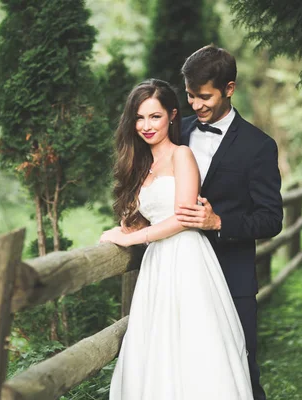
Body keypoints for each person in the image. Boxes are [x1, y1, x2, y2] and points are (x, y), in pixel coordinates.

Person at [100, 78, 254, 400]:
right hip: (158, 264)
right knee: (156, 345)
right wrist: (125, 230)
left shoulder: (182, 155)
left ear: (172, 116)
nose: (146, 125)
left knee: (194, 345)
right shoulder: (141, 164)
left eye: (154, 116)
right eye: (139, 118)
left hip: (186, 260)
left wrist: (136, 238)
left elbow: (183, 217)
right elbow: (148, 214)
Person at [175, 45, 284, 400]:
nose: (196, 105)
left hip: (231, 277)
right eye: (190, 96)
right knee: (186, 371)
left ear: (230, 89)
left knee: (241, 374)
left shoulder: (259, 146)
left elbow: (271, 219)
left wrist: (219, 221)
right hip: (180, 275)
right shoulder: (177, 134)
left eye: (204, 97)